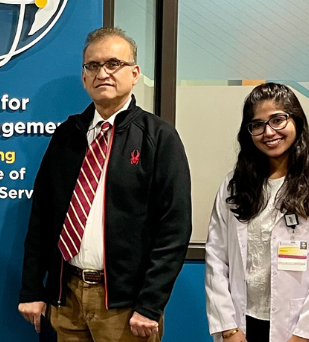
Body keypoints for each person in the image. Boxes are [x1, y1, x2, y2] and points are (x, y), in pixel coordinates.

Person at [18, 26, 193, 342]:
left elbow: (174, 229)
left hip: (125, 307)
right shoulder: (67, 136)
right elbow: (41, 218)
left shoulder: (159, 138)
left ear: (135, 73)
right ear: (84, 77)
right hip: (67, 297)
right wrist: (32, 288)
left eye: (114, 64)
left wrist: (151, 305)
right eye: (93, 66)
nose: (103, 73)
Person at [204, 83, 309, 342]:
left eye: (278, 120)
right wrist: (228, 328)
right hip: (244, 326)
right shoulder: (235, 185)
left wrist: (304, 335)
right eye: (258, 125)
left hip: (300, 329)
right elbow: (216, 258)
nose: (268, 132)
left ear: (296, 120)